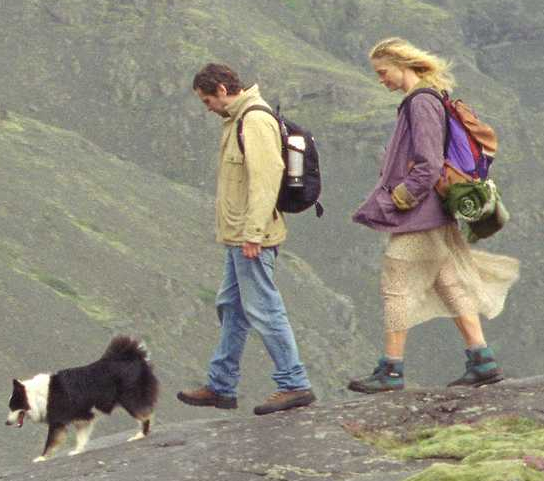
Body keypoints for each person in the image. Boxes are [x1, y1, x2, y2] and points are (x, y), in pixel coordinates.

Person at [350, 38, 519, 393]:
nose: (381, 80)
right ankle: (482, 360)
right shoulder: (429, 98)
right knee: (449, 282)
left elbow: (427, 163)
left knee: (395, 286)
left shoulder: (421, 102)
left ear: (402, 63)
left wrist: (402, 195)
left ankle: (391, 370)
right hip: (434, 213)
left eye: (383, 72)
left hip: (419, 215)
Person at [177, 63, 316, 416]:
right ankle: (221, 385)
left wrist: (253, 233)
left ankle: (294, 383)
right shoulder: (238, 121)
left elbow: (266, 180)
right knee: (232, 307)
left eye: (208, 99)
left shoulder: (254, 121)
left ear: (222, 89)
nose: (207, 106)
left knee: (264, 309)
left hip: (251, 236)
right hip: (240, 235)